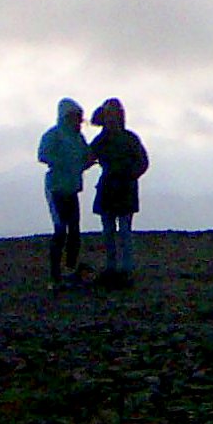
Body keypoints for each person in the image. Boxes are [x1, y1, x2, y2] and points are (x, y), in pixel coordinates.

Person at [89, 98, 150, 288]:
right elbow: (143, 162)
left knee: (120, 230)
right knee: (114, 231)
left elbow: (143, 162)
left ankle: (121, 268)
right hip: (115, 187)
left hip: (120, 187)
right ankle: (116, 268)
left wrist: (130, 175)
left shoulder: (111, 139)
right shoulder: (122, 138)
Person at [37, 97, 93, 289]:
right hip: (56, 188)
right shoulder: (54, 135)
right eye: (75, 117)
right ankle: (55, 275)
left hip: (72, 188)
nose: (78, 121)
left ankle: (69, 269)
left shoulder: (79, 138)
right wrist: (67, 164)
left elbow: (86, 158)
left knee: (75, 231)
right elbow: (43, 155)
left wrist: (86, 163)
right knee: (61, 230)